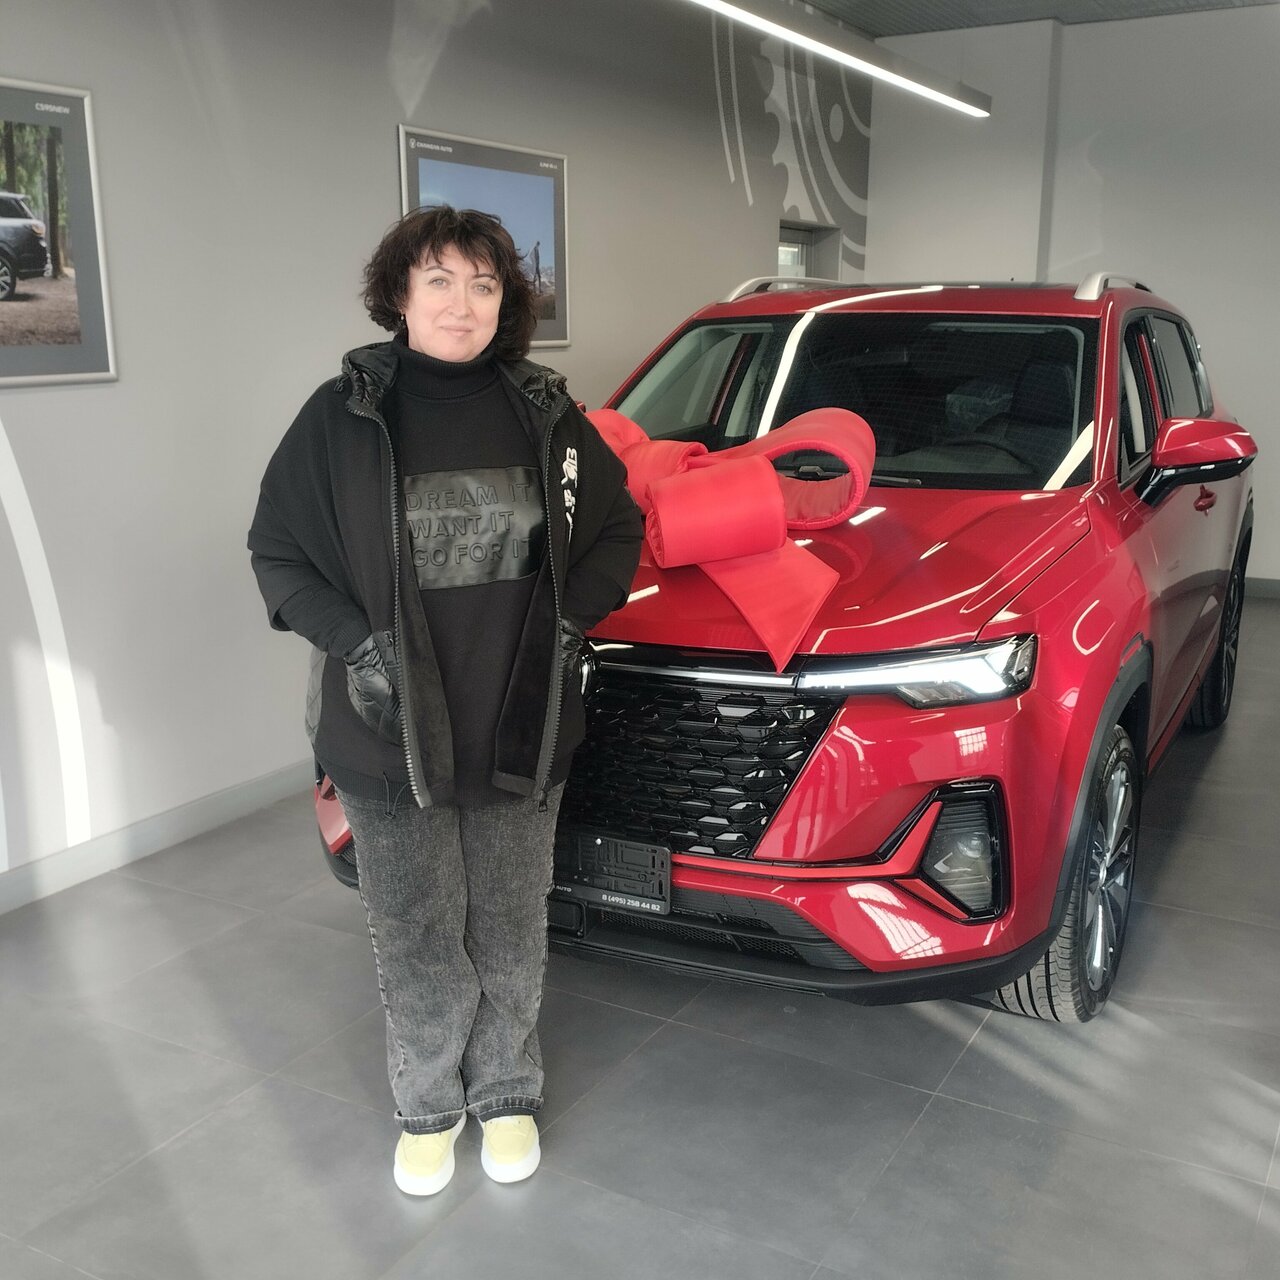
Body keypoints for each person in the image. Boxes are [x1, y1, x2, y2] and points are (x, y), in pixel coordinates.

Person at [248, 205, 642, 1195]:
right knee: (416, 929)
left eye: (483, 284)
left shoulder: (546, 412)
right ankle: (428, 1103)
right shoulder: (340, 417)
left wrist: (571, 622)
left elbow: (616, 529)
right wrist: (358, 645)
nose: (461, 303)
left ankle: (505, 1089)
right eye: (438, 280)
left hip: (521, 721)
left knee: (509, 922)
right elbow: (278, 551)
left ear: (505, 303)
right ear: (400, 295)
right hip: (389, 731)